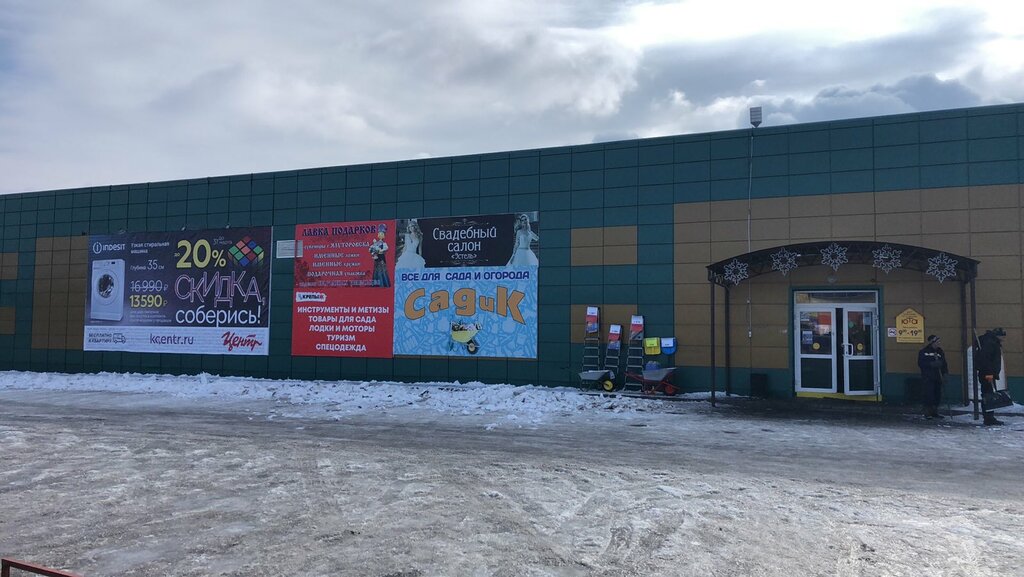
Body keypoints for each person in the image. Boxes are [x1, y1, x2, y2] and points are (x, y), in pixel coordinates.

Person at [975, 328, 1006, 426]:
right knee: (988, 395)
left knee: (988, 395)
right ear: (998, 335)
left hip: (988, 373)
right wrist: (989, 373)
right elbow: (986, 359)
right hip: (987, 374)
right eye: (1003, 336)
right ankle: (988, 418)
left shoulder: (990, 342)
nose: (1004, 338)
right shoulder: (990, 343)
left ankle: (989, 417)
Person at [917, 334, 948, 419]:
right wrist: (932, 364)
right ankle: (927, 412)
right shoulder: (924, 351)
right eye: (937, 342)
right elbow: (921, 363)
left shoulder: (940, 351)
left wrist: (945, 373)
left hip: (938, 377)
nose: (939, 343)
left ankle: (934, 411)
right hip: (928, 377)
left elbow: (944, 363)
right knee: (928, 394)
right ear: (932, 342)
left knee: (937, 395)